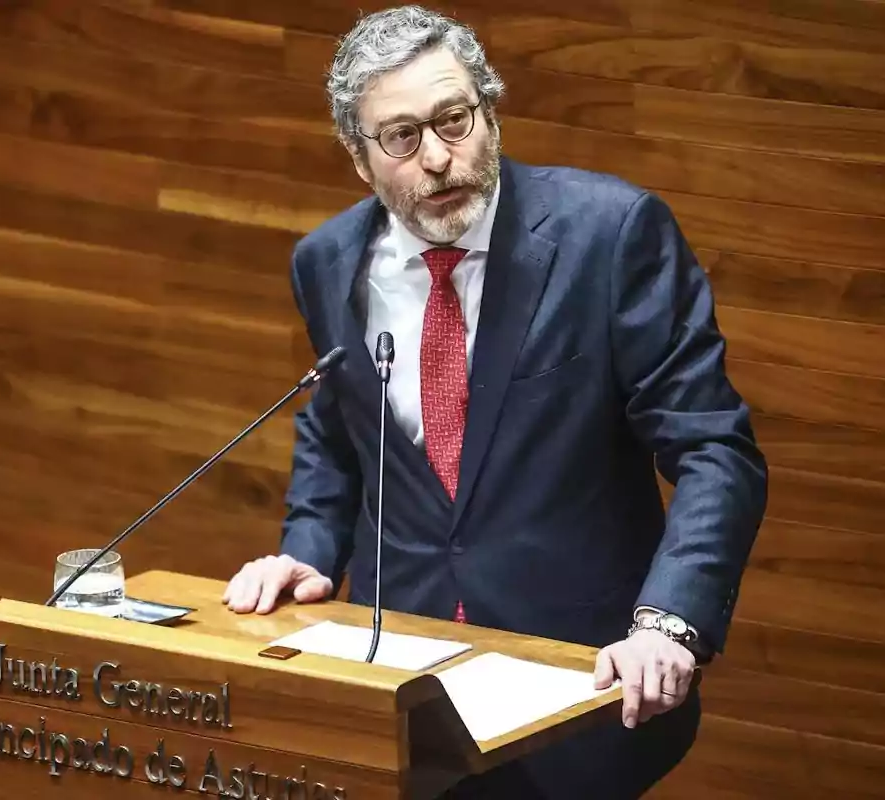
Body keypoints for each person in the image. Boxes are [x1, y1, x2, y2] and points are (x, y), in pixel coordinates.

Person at [222, 5, 768, 798]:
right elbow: (340, 429)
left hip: (580, 683)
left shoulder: (610, 238)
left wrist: (668, 622)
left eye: (455, 119)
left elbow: (714, 450)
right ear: (358, 157)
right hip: (400, 687)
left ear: (489, 111)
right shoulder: (328, 261)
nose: (439, 158)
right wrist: (308, 548)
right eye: (402, 137)